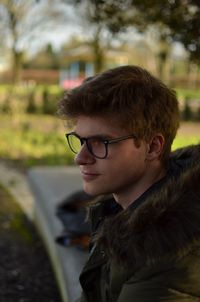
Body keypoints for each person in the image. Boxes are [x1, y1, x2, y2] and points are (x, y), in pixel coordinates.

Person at [58, 65, 200, 302]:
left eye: (101, 142)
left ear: (153, 147)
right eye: (81, 141)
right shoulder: (118, 210)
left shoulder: (171, 255)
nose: (80, 157)